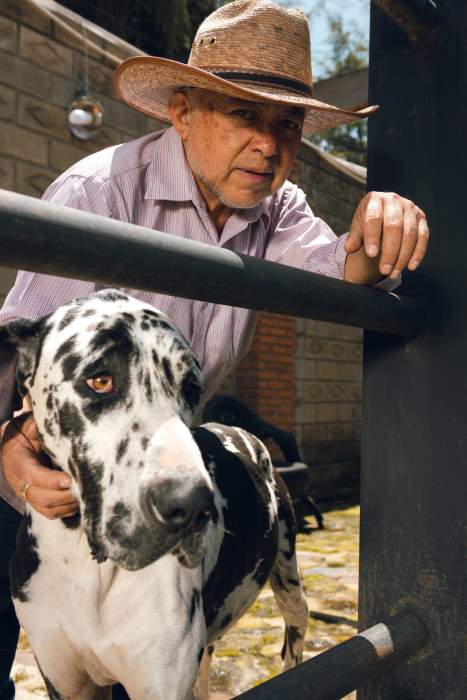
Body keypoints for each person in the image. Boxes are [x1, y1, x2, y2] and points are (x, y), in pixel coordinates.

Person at [0, 1, 429, 698]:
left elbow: (338, 272)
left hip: (168, 485)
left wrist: (384, 224)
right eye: (243, 116)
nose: (269, 145)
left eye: (286, 125)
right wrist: (6, 447)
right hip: (47, 491)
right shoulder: (96, 191)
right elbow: (18, 348)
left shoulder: (279, 207)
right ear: (182, 111)